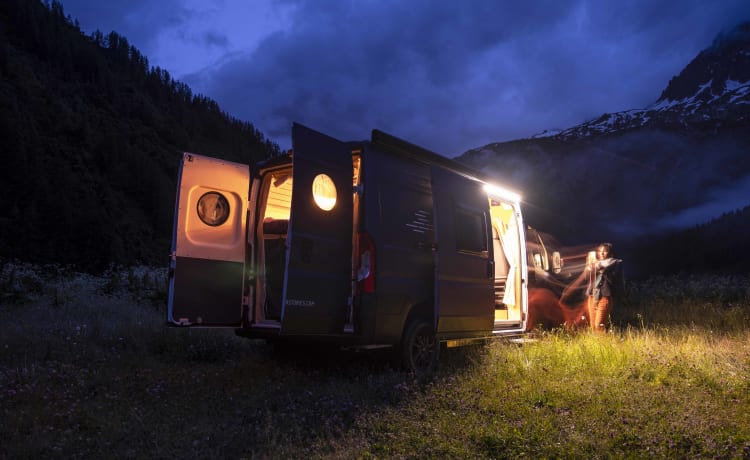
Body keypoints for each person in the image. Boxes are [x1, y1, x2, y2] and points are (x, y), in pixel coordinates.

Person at [585, 242, 624, 333]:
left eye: (605, 251)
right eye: (599, 251)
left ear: (610, 252)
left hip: (605, 296)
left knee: (599, 325)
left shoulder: (616, 263)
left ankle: (604, 343)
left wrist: (601, 268)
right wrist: (588, 267)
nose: (601, 253)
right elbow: (587, 279)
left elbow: (614, 280)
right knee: (593, 325)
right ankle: (595, 345)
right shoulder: (595, 263)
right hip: (592, 295)